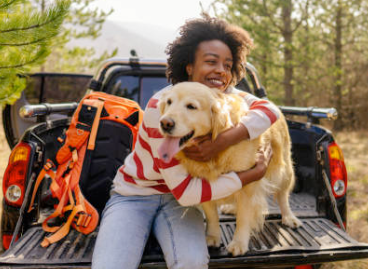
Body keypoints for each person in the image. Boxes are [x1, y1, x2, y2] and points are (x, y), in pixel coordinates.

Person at [91, 15, 280, 269]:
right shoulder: (164, 106)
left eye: (227, 64)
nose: (220, 70)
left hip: (179, 203)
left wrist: (220, 142)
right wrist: (250, 175)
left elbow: (270, 111)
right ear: (189, 66)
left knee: (192, 263)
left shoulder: (225, 97)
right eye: (211, 62)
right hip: (135, 195)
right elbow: (187, 191)